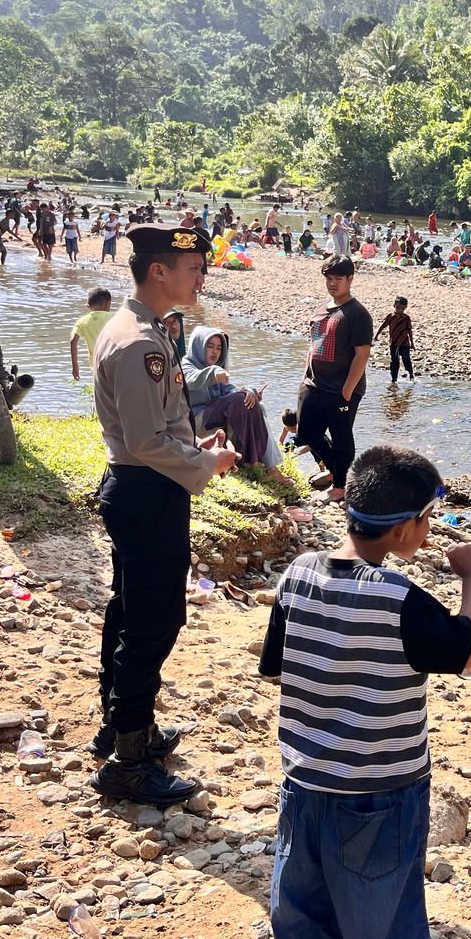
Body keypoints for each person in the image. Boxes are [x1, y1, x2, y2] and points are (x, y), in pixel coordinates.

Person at [261, 445, 471, 939]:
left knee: (301, 907)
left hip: (305, 783)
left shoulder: (297, 575)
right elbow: (468, 652)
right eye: (427, 520)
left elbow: (276, 666)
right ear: (404, 528)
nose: (429, 531)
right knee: (384, 924)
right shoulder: (399, 598)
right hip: (381, 795)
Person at [90, 224, 240, 805]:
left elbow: (155, 428)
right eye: (192, 266)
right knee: (152, 622)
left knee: (129, 609)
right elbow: (147, 441)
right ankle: (129, 760)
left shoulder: (139, 328)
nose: (200, 276)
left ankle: (123, 725)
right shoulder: (138, 341)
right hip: (147, 490)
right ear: (159, 270)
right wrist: (206, 464)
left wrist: (195, 448)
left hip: (143, 484)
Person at [297, 256, 374, 502]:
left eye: (338, 279)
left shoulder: (357, 313)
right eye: (329, 279)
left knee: (341, 436)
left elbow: (362, 355)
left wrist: (347, 392)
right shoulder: (322, 307)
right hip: (314, 383)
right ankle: (340, 473)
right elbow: (313, 344)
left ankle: (340, 486)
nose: (333, 284)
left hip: (341, 388)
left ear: (350, 279)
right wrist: (304, 376)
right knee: (306, 433)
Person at [181, 328, 278, 472]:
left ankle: (264, 461)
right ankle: (248, 460)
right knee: (238, 400)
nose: (215, 352)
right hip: (195, 424)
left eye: (219, 348)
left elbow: (231, 391)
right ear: (198, 346)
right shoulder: (185, 365)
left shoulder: (215, 368)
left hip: (212, 419)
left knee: (250, 402)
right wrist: (213, 372)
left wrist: (250, 391)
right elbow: (193, 379)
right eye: (210, 346)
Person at [69, 288, 114, 381]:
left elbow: (73, 341)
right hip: (115, 360)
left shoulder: (82, 322)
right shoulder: (115, 317)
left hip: (96, 363)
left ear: (88, 306)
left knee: (101, 391)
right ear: (108, 304)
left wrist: (75, 367)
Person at [375, 296, 415, 384]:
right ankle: (394, 379)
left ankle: (411, 376)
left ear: (405, 308)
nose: (400, 310)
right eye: (398, 308)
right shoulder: (390, 317)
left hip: (404, 342)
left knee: (406, 359)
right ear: (394, 306)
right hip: (394, 343)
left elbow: (409, 331)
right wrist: (376, 336)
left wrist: (412, 343)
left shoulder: (406, 318)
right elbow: (383, 326)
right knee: (394, 361)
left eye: (402, 308)